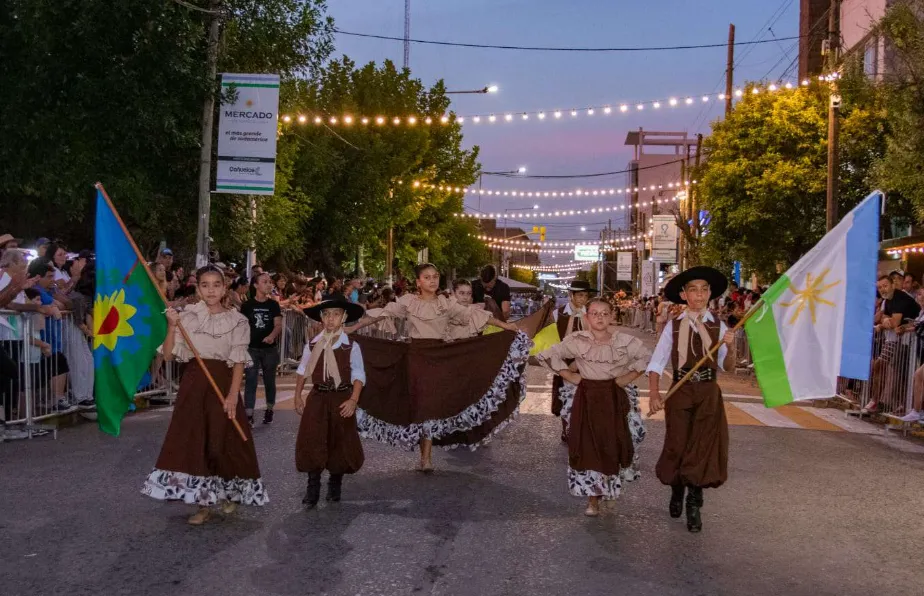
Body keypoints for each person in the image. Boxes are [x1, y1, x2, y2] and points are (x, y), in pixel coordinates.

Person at [348, 263, 520, 472]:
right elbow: (383, 313)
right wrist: (354, 327)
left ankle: (426, 457)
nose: (432, 280)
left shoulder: (445, 303)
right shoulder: (408, 302)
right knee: (420, 405)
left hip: (439, 356)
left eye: (435, 276)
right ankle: (424, 455)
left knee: (429, 405)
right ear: (419, 282)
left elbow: (472, 315)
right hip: (415, 358)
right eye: (427, 277)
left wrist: (505, 326)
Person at [142, 265, 268, 525]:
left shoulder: (237, 321)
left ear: (224, 288)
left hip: (222, 384)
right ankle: (203, 504)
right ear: (198, 289)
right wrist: (171, 326)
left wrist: (233, 396)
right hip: (194, 385)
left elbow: (238, 362)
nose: (211, 290)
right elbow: (167, 355)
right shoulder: (186, 317)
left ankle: (228, 493)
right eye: (205, 285)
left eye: (216, 285)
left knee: (223, 440)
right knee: (195, 441)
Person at [536, 298, 650, 517]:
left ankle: (611, 492)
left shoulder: (625, 341)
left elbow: (646, 358)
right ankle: (593, 500)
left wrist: (627, 377)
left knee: (615, 443)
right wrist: (569, 375)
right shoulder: (577, 340)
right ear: (586, 317)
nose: (600, 317)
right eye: (595, 313)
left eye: (605, 313)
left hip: (615, 399)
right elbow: (549, 354)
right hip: (587, 399)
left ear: (612, 316)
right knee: (588, 446)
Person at [647, 266, 736, 533]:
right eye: (693, 290)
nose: (699, 295)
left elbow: (728, 367)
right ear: (684, 295)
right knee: (678, 444)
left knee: (702, 447)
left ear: (710, 294)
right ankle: (677, 488)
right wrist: (654, 393)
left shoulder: (718, 326)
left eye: (704, 289)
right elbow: (656, 363)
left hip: (708, 391)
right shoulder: (672, 327)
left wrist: (730, 346)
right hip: (680, 391)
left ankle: (694, 503)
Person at [293, 297, 366, 508]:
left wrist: (353, 399)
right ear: (321, 318)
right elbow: (303, 370)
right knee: (312, 438)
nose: (330, 319)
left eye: (335, 314)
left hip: (341, 397)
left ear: (343, 318)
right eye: (326, 314)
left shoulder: (350, 346)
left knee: (339, 439)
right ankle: (312, 486)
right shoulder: (313, 344)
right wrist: (298, 396)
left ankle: (335, 483)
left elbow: (359, 374)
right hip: (318, 397)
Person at [549, 280, 594, 442]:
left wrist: (583, 316)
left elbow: (593, 336)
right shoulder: (558, 313)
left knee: (585, 395)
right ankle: (567, 428)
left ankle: (582, 429)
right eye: (580, 295)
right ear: (571, 295)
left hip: (586, 361)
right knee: (565, 395)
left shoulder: (590, 313)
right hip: (565, 362)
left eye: (585, 296)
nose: (583, 299)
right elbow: (558, 339)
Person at [241, 272, 283, 425]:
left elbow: (278, 325)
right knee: (251, 380)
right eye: (264, 282)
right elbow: (243, 326)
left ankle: (270, 408)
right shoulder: (247, 305)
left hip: (269, 349)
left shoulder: (273, 304)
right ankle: (249, 414)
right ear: (255, 285)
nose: (269, 284)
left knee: (269, 380)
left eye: (270, 282)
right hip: (251, 348)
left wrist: (272, 336)